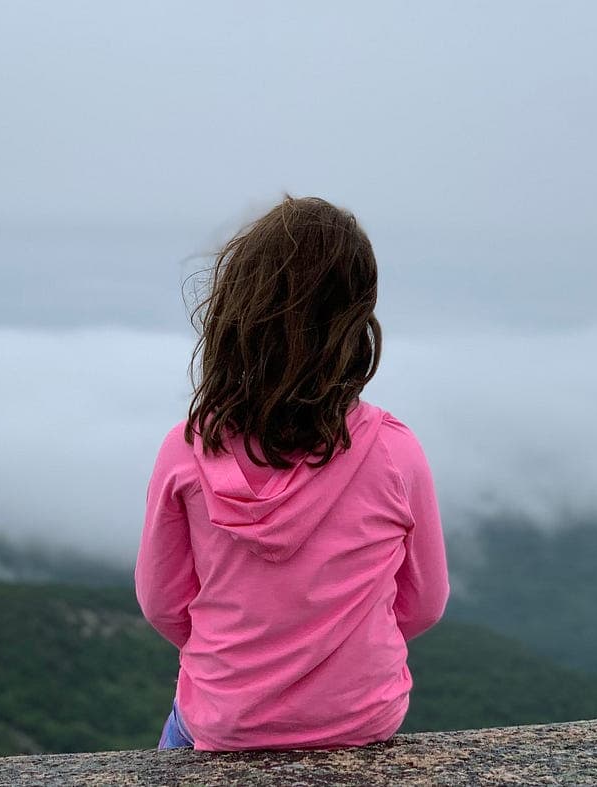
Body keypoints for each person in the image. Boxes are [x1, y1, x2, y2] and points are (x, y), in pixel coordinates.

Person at [135, 195, 449, 751]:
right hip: (360, 722)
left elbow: (164, 604)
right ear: (355, 323)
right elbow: (422, 604)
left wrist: (246, 658)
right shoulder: (395, 452)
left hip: (223, 724)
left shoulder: (186, 450)